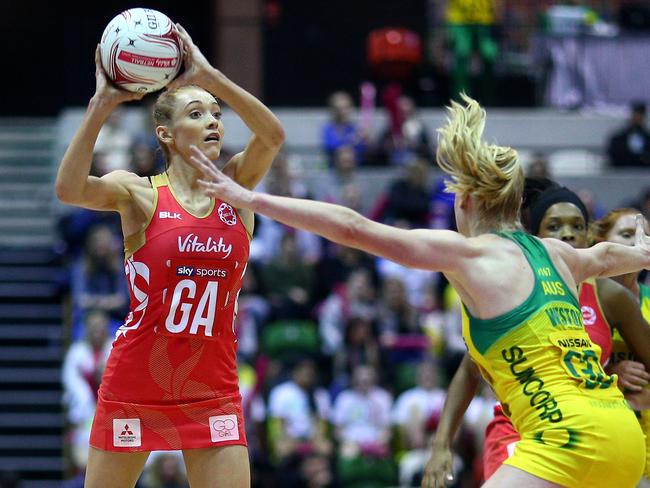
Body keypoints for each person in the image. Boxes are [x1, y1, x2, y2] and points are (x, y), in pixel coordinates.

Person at [188, 94, 650, 488]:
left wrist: (251, 198)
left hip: (568, 438)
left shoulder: (471, 256)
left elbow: (353, 227)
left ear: (465, 202)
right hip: (624, 434)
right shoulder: (557, 254)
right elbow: (613, 255)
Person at [54, 23, 284, 488]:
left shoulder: (236, 188)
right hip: (138, 375)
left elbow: (273, 136)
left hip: (211, 381)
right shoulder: (139, 194)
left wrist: (211, 76)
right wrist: (101, 105)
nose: (214, 121)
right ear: (166, 133)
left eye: (216, 114)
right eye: (198, 113)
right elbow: (69, 189)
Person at [422, 180, 650, 486]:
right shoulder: (515, 286)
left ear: (589, 236)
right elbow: (469, 372)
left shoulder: (609, 295)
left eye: (577, 226)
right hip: (521, 423)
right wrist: (441, 444)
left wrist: (614, 376)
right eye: (554, 226)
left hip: (589, 424)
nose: (567, 234)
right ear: (536, 239)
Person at [591, 208, 650, 484]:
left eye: (645, 236)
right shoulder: (583, 300)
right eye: (627, 234)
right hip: (602, 441)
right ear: (601, 242)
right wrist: (612, 371)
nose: (638, 244)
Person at [607, 101, 650, 168]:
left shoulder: (647, 138)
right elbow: (614, 158)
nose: (637, 118)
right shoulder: (618, 139)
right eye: (635, 114)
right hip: (621, 174)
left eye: (640, 115)